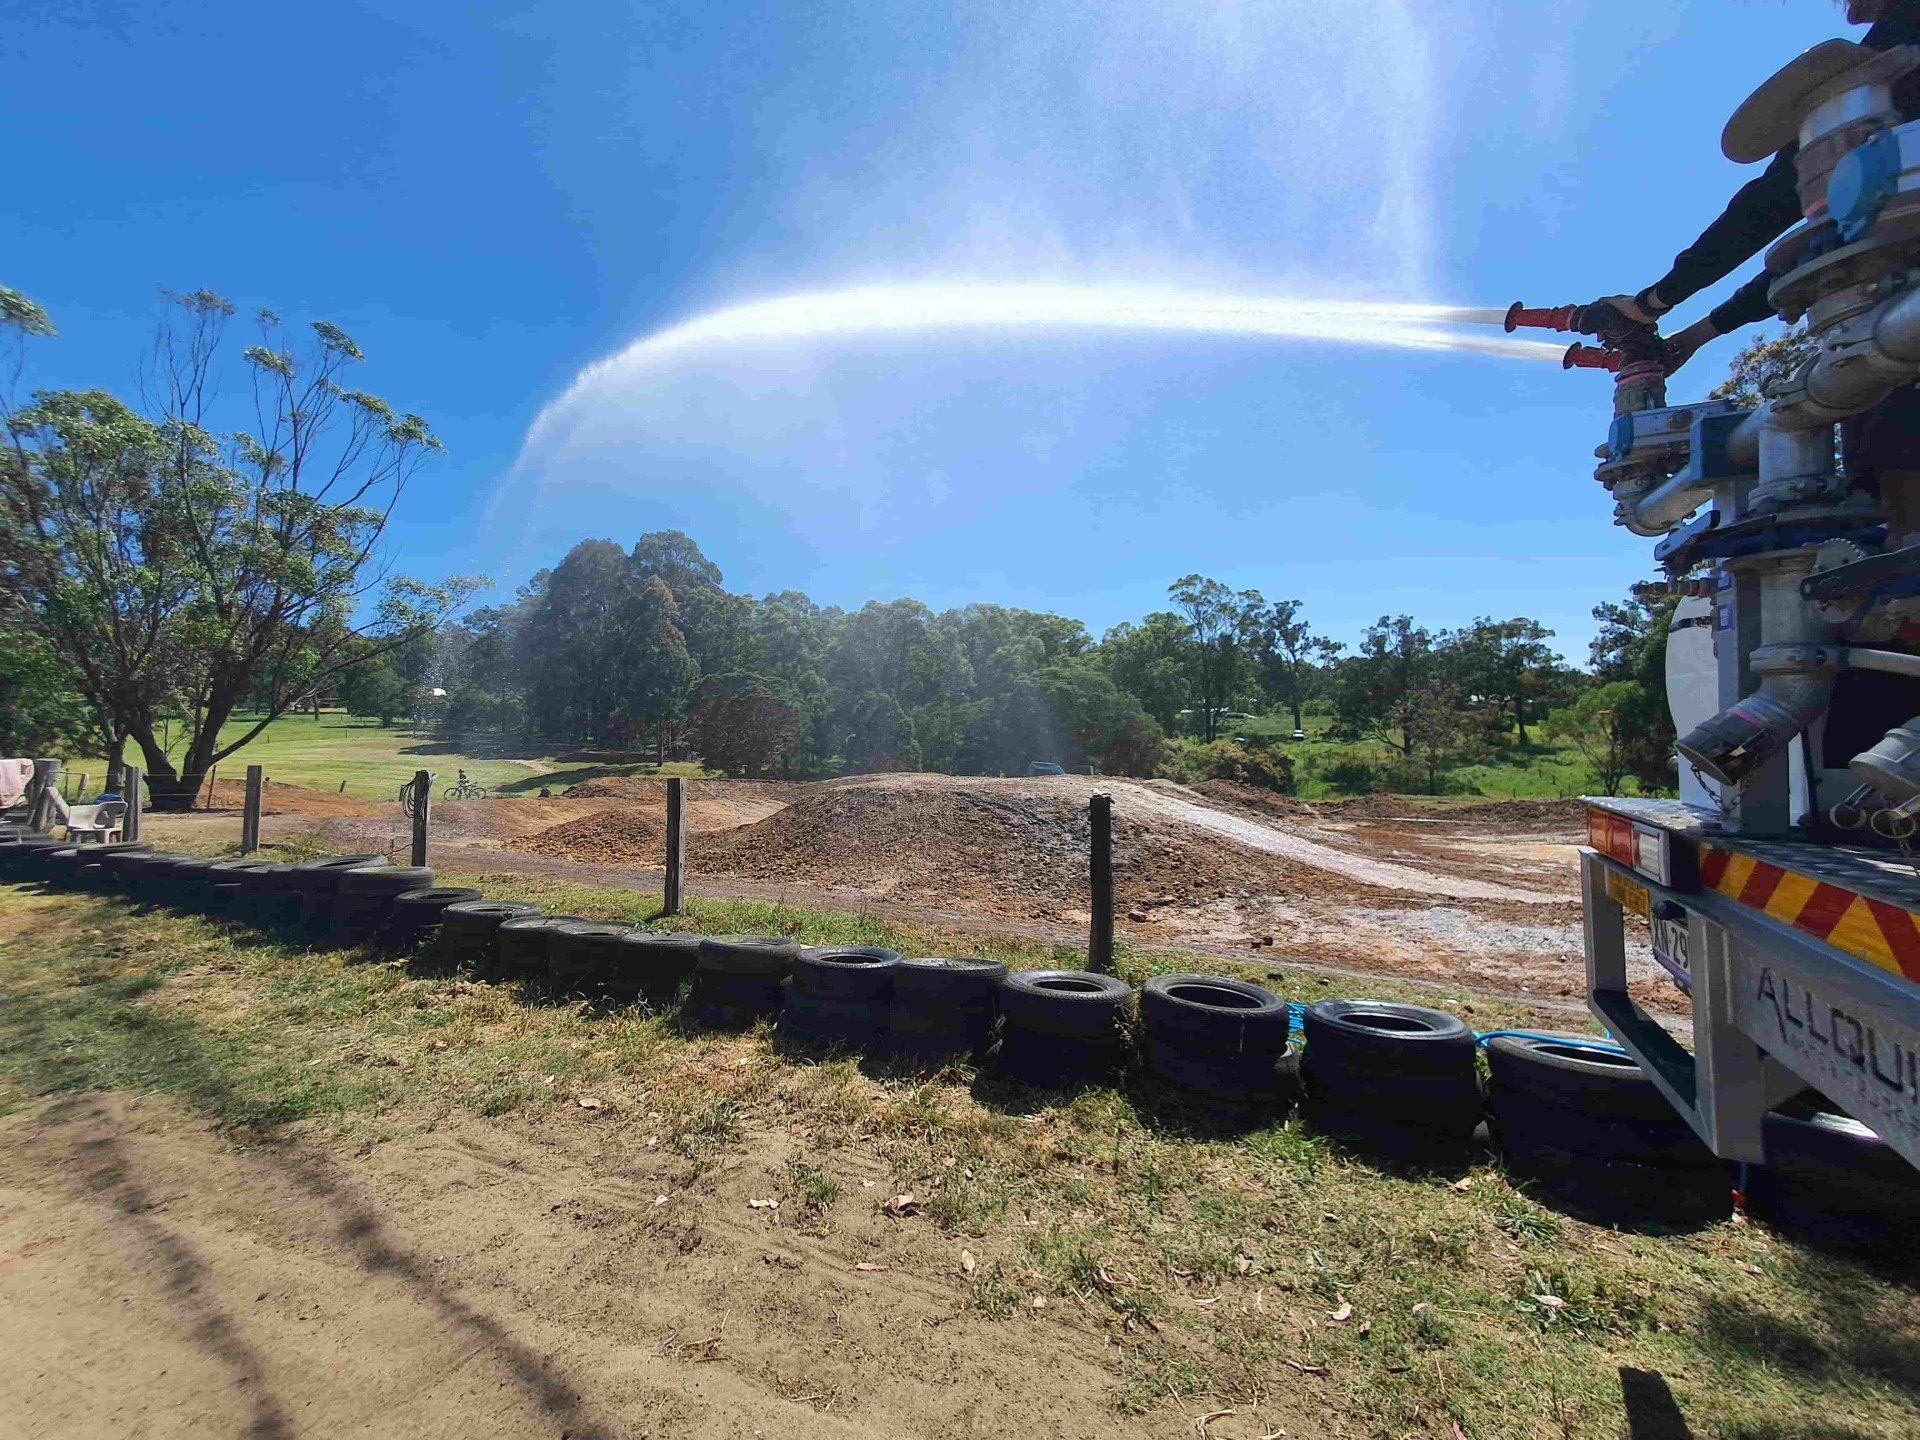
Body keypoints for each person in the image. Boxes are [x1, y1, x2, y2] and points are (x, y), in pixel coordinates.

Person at [1591, 0, 1920, 375]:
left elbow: (1775, 200)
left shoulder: (1888, 54)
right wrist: (1701, 332)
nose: (1848, 12)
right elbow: (1832, 249)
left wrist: (1654, 301)